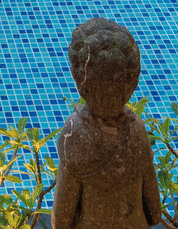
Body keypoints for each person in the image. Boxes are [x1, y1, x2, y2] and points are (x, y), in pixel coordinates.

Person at [52, 17, 161, 229]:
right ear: (131, 82)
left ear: (82, 82)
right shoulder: (137, 129)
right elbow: (155, 212)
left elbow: (61, 220)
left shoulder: (75, 134)